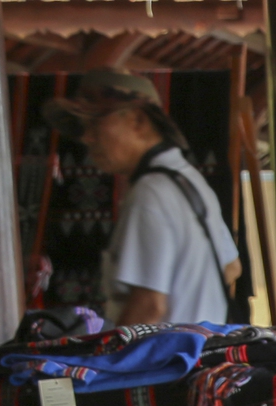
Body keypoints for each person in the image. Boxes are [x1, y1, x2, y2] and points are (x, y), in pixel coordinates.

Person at [49, 69, 242, 327]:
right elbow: (231, 268)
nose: (86, 137)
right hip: (197, 355)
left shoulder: (150, 192)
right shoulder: (189, 179)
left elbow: (150, 305)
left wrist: (114, 362)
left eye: (95, 123)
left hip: (164, 363)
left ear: (138, 121)